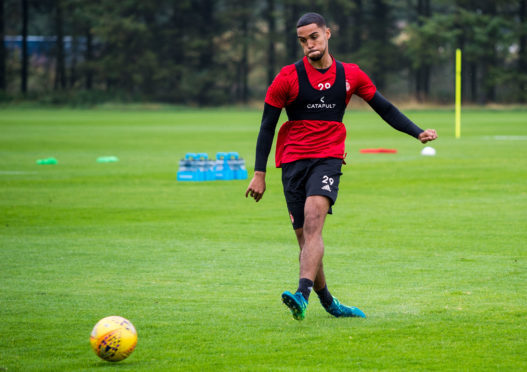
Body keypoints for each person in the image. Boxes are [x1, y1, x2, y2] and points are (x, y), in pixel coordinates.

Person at [245, 12, 437, 321]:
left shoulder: (351, 74)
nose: (309, 44)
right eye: (303, 41)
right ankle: (329, 302)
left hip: (328, 159)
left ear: (328, 34)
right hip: (293, 163)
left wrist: (417, 131)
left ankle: (301, 294)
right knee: (306, 240)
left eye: (314, 37)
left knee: (313, 223)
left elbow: (384, 107)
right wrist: (259, 173)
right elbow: (267, 126)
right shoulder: (287, 77)